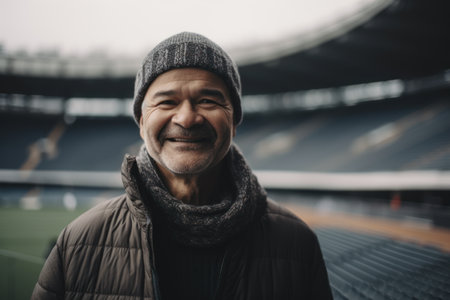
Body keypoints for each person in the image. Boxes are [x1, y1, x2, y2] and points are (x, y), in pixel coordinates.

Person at [32, 32, 333, 300]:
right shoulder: (78, 243)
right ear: (141, 123)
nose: (187, 119)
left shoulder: (297, 244)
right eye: (166, 102)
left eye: (208, 100)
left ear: (234, 121)